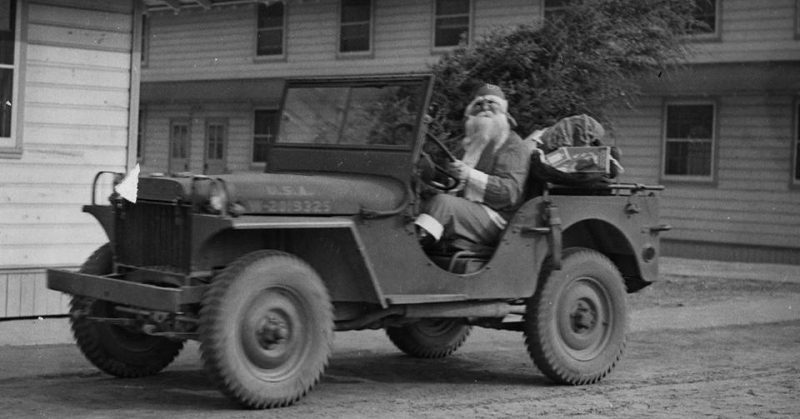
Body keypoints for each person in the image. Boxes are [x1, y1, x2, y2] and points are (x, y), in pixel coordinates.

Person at [415, 84, 531, 251]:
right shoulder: (467, 145)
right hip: (466, 209)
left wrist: (469, 174)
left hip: (497, 218)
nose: (484, 107)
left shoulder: (513, 146)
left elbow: (509, 193)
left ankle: (417, 250)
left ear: (503, 112)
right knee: (415, 203)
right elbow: (450, 182)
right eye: (478, 104)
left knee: (443, 204)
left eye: (491, 103)